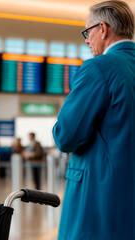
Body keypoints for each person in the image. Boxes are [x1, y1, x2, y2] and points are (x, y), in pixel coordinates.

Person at [53, 1, 135, 239]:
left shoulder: (98, 68)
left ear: (103, 28)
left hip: (99, 199)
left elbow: (66, 136)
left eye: (87, 32)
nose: (87, 40)